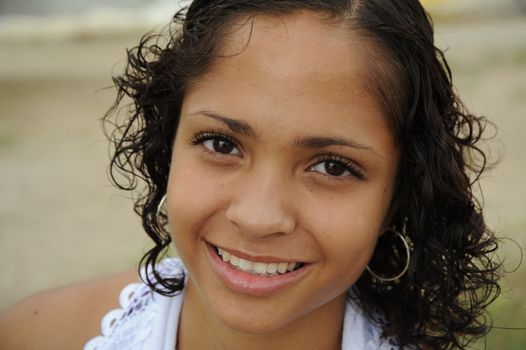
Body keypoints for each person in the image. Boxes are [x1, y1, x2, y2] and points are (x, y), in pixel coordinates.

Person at [0, 0, 502, 349]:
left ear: (399, 195)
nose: (259, 217)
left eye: (332, 166)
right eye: (221, 144)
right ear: (167, 143)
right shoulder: (35, 337)